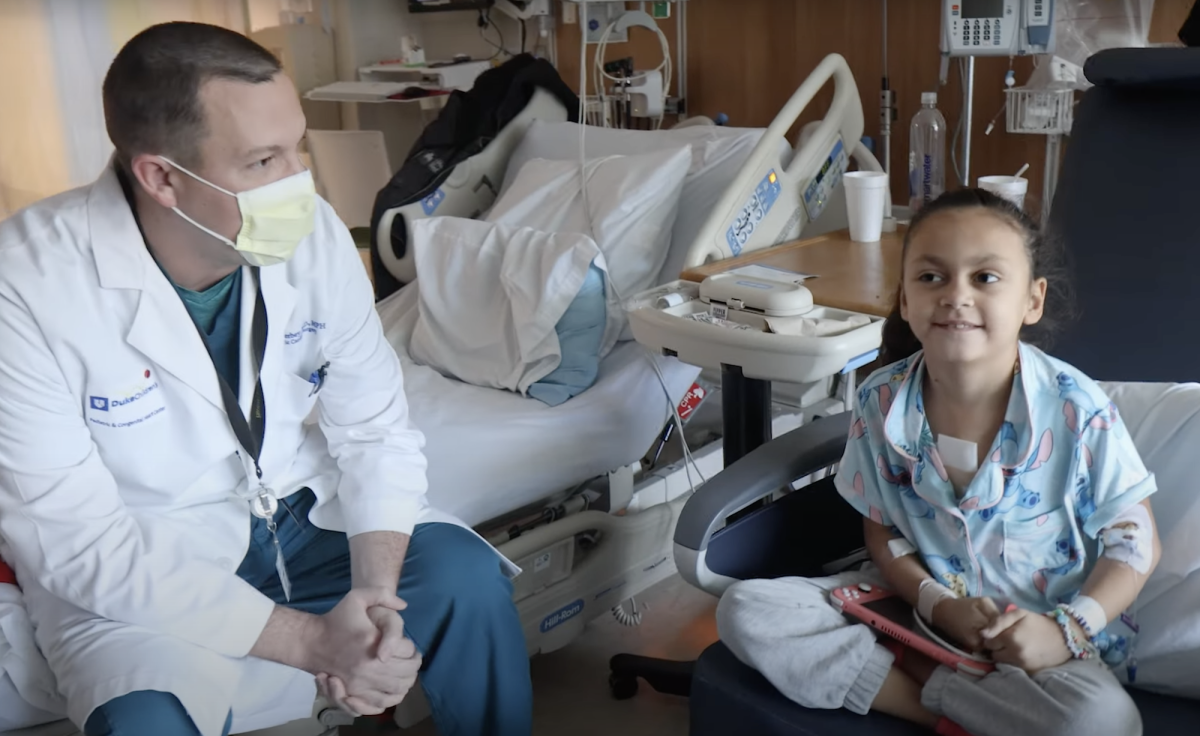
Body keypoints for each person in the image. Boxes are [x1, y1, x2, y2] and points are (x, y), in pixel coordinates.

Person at [0, 21, 531, 736]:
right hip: (149, 554)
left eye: (298, 148)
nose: (297, 185)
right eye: (262, 161)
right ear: (161, 176)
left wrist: (374, 596)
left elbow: (373, 426)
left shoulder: (309, 233)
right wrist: (315, 643)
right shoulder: (26, 284)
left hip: (301, 513)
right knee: (142, 721)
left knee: (466, 582)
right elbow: (79, 545)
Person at [716, 189, 1161, 736]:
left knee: (1103, 723)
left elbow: (1136, 543)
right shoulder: (881, 401)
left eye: (986, 278)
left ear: (1033, 300)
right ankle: (938, 704)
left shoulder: (1077, 409)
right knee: (747, 610)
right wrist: (935, 603)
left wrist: (1065, 631)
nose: (956, 295)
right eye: (931, 277)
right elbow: (880, 532)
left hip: (1043, 641)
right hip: (917, 615)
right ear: (904, 299)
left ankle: (936, 688)